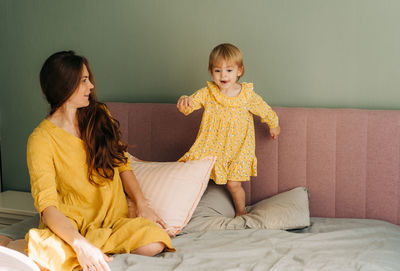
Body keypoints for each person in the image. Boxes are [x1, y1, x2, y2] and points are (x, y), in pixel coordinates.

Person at [25, 51, 174, 271]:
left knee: (154, 242)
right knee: (52, 252)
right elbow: (47, 207)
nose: (91, 86)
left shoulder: (99, 115)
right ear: (65, 84)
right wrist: (79, 243)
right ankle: (18, 245)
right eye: (84, 80)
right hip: (72, 227)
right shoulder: (40, 139)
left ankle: (83, 249)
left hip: (114, 222)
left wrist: (141, 203)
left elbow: (122, 164)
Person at [177, 43, 280, 217]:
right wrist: (184, 100)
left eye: (229, 71)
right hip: (212, 144)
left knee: (233, 184)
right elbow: (189, 106)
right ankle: (181, 211)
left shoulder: (247, 95)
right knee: (192, 174)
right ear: (211, 72)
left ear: (239, 71)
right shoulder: (208, 93)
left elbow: (264, 109)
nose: (223, 75)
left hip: (238, 149)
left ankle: (241, 211)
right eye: (218, 71)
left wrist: (274, 124)